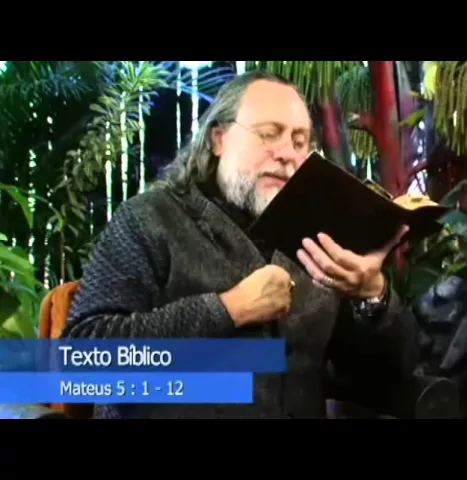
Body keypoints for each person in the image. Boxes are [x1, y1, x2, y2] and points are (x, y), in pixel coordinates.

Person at [63, 70, 420, 419]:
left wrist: (373, 294)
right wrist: (229, 309)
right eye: (269, 134)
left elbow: (385, 382)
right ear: (218, 139)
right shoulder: (150, 219)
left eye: (300, 142)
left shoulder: (319, 243)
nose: (287, 154)